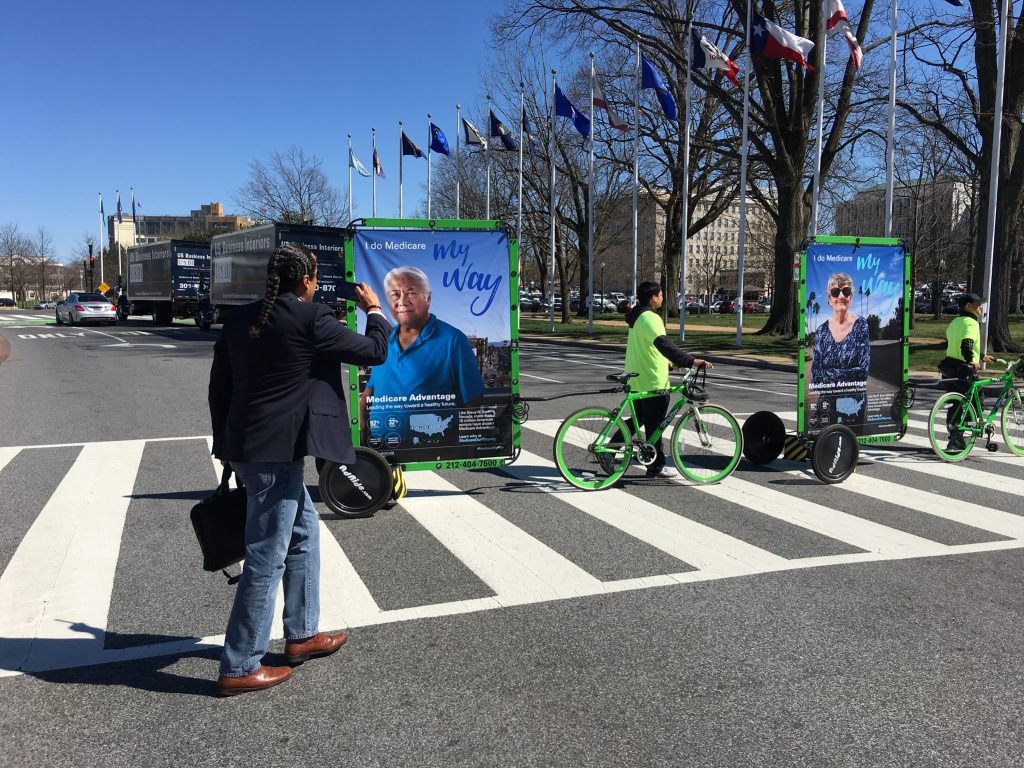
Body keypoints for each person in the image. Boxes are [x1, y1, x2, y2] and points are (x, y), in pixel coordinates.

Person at [208, 243, 390, 696]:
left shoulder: (238, 319)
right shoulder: (312, 320)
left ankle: (302, 636)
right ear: (307, 280)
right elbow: (373, 351)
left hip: (252, 447)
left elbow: (219, 388)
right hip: (276, 454)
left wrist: (226, 447)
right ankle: (240, 664)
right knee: (267, 556)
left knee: (303, 535)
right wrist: (374, 310)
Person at [360, 266, 485, 438]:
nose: (402, 301)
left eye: (411, 293)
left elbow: (473, 401)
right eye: (395, 294)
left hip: (432, 447)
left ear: (428, 298)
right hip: (380, 445)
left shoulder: (453, 340)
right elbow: (370, 390)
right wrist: (362, 428)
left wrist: (459, 445)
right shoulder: (385, 340)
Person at [624, 280, 713, 478]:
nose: (663, 298)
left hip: (637, 375)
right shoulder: (650, 317)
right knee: (655, 424)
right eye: (661, 295)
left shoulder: (637, 317)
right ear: (653, 297)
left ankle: (611, 449)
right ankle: (656, 466)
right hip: (652, 378)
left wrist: (671, 364)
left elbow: (648, 348)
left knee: (641, 419)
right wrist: (690, 361)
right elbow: (663, 344)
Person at [811, 272, 871, 425]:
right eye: (835, 292)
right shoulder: (821, 332)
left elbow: (863, 370)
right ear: (829, 299)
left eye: (846, 291)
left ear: (851, 296)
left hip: (853, 405)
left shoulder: (861, 326)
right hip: (826, 405)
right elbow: (816, 376)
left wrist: (830, 373)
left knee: (850, 444)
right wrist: (846, 374)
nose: (841, 296)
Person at [937, 292, 993, 451]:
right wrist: (972, 362)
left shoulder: (955, 322)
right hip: (963, 369)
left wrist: (981, 356)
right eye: (978, 304)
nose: (980, 307)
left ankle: (954, 436)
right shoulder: (971, 323)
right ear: (969, 307)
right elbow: (966, 344)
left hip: (949, 368)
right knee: (976, 403)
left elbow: (956, 344)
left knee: (955, 404)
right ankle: (961, 435)